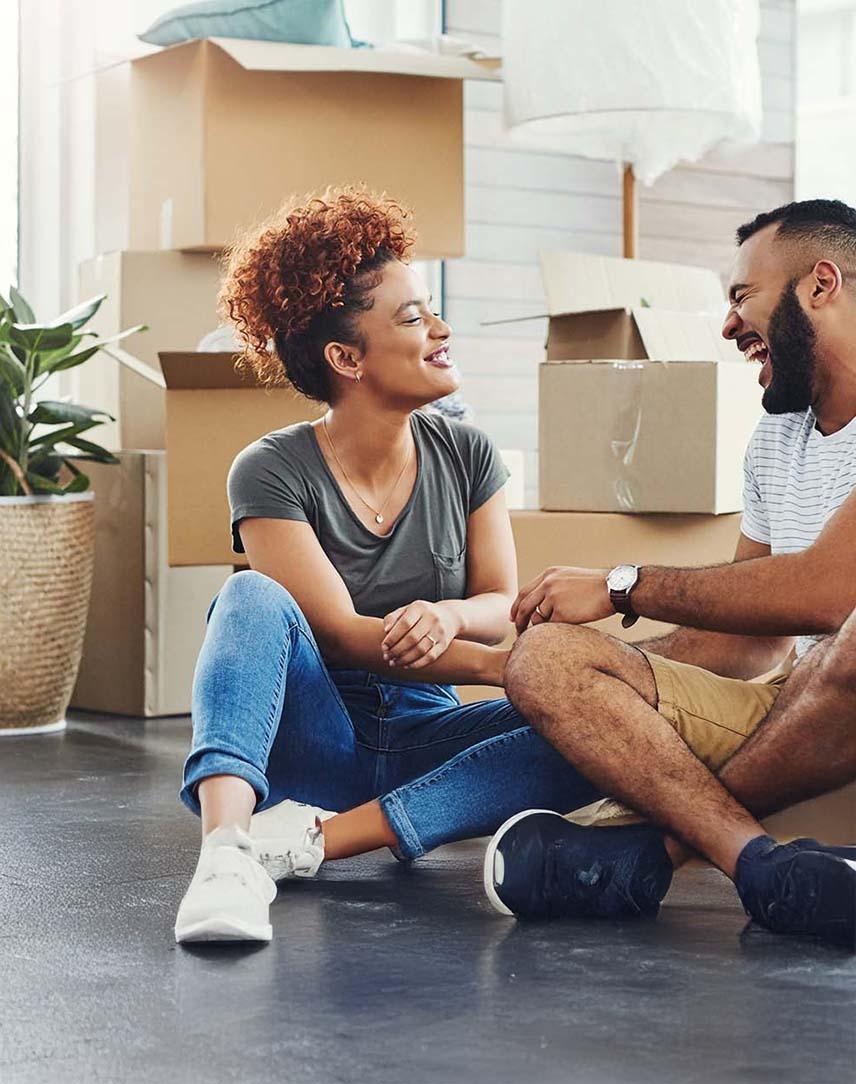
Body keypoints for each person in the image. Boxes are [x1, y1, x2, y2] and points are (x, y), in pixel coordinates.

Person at [174, 187, 609, 943]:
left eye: (433, 310)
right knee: (247, 598)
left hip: (426, 742)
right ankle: (225, 855)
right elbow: (338, 635)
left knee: (602, 719)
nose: (441, 330)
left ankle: (308, 843)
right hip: (319, 740)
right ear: (347, 358)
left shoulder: (467, 452)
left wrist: (448, 619)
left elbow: (499, 596)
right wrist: (498, 669)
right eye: (413, 318)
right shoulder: (269, 469)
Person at [483, 199, 856, 951]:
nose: (728, 326)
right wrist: (603, 684)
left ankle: (650, 852)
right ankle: (758, 865)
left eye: (741, 296)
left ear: (821, 285)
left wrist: (623, 585)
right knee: (549, 656)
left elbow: (829, 593)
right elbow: (751, 643)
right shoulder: (777, 437)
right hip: (810, 699)